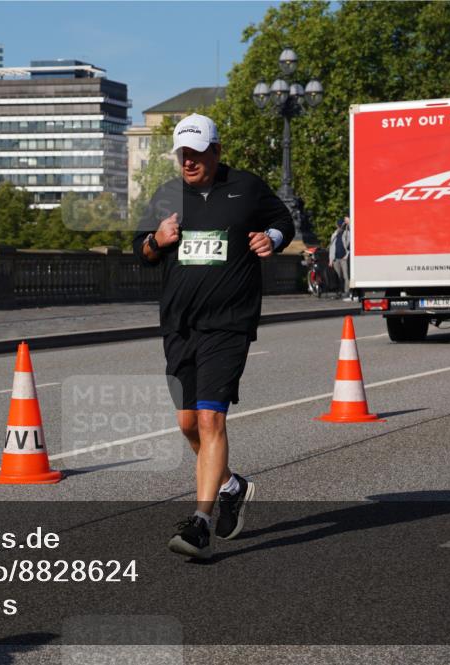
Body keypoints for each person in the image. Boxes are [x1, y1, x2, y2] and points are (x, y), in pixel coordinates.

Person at [133, 114, 295, 559]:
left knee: (209, 420)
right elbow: (139, 250)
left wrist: (272, 238)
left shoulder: (246, 187)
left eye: (197, 152)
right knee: (187, 424)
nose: (188, 161)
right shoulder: (167, 195)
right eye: (183, 153)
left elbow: (284, 220)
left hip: (229, 323)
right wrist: (157, 240)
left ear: (216, 151)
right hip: (180, 326)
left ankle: (200, 523)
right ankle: (230, 485)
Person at [329, 215, 351, 299]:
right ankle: (339, 292)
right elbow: (331, 247)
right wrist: (331, 260)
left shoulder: (347, 233)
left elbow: (350, 245)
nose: (339, 227)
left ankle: (347, 291)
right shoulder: (334, 234)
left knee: (346, 276)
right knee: (338, 277)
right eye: (338, 225)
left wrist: (347, 255)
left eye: (340, 225)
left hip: (343, 258)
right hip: (335, 259)